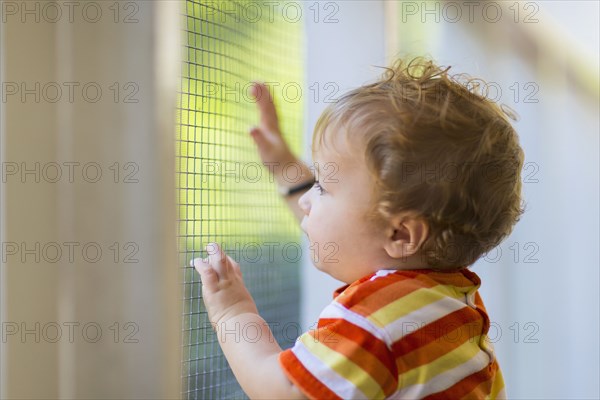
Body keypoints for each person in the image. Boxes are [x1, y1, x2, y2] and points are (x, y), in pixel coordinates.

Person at [191, 58, 524, 399]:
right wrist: (287, 170)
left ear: (401, 235)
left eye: (322, 186)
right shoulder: (447, 303)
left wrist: (232, 313)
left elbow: (285, 391)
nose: (307, 202)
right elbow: (348, 230)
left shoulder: (376, 321)